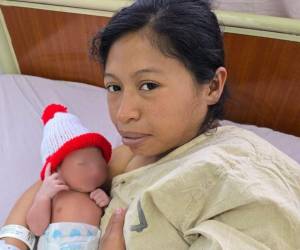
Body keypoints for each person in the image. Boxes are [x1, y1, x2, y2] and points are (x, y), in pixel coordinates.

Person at [1, 0, 300, 249]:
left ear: (211, 86)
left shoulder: (236, 184)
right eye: (114, 87)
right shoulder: (135, 152)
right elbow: (54, 177)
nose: (123, 114)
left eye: (149, 85)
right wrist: (14, 241)